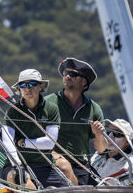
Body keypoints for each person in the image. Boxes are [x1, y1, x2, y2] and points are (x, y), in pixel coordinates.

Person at [0, 69, 67, 188]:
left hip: (43, 165)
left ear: (41, 86)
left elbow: (49, 143)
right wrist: (18, 164)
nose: (27, 88)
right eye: (22, 85)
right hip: (15, 165)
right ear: (19, 89)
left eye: (32, 84)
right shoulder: (12, 111)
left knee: (67, 191)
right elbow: (8, 142)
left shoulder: (51, 109)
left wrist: (22, 142)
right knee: (19, 177)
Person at [45, 56, 104, 185]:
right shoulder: (47, 103)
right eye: (66, 73)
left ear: (84, 82)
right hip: (52, 165)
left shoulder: (94, 109)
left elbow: (101, 149)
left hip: (81, 166)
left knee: (106, 192)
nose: (67, 76)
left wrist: (98, 134)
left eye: (73, 74)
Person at [90, 118, 133, 186]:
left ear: (127, 142)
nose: (110, 136)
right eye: (108, 131)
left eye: (117, 134)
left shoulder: (132, 165)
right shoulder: (97, 155)